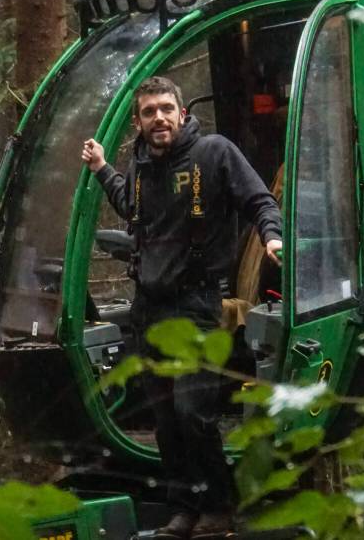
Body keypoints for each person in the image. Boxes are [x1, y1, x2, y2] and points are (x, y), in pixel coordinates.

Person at [81, 75, 282, 539]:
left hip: (196, 302)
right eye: (149, 112)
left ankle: (218, 506)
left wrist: (272, 235)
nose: (159, 119)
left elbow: (259, 200)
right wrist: (101, 168)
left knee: (194, 412)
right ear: (138, 121)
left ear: (182, 113)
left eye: (166, 109)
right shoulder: (140, 166)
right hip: (149, 306)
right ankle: (183, 508)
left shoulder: (214, 154)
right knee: (166, 417)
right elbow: (126, 203)